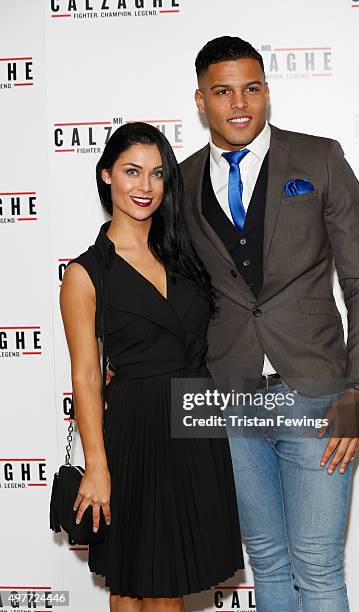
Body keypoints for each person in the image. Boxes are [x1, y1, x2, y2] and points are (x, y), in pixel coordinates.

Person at [178, 36, 359, 611]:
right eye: (222, 91)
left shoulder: (319, 159)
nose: (239, 103)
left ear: (267, 93)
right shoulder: (184, 182)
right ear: (201, 100)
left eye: (251, 88)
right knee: (266, 561)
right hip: (233, 402)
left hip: (315, 395)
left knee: (317, 567)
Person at [60, 122, 244, 612]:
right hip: (135, 432)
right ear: (106, 177)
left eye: (157, 174)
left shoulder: (185, 254)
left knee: (172, 582)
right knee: (134, 581)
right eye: (131, 172)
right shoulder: (85, 273)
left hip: (195, 423)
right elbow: (85, 376)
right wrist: (96, 465)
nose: (145, 186)